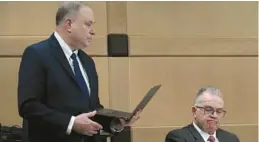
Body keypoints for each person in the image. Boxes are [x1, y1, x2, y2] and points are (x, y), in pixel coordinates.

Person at [17, 2, 140, 142]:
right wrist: (71, 123)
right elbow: (28, 106)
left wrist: (114, 122)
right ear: (69, 24)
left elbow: (92, 109)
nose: (93, 31)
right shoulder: (37, 54)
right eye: (88, 24)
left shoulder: (87, 61)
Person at [165, 86, 240, 142]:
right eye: (208, 110)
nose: (214, 115)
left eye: (219, 111)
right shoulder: (178, 138)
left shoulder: (231, 139)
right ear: (194, 111)